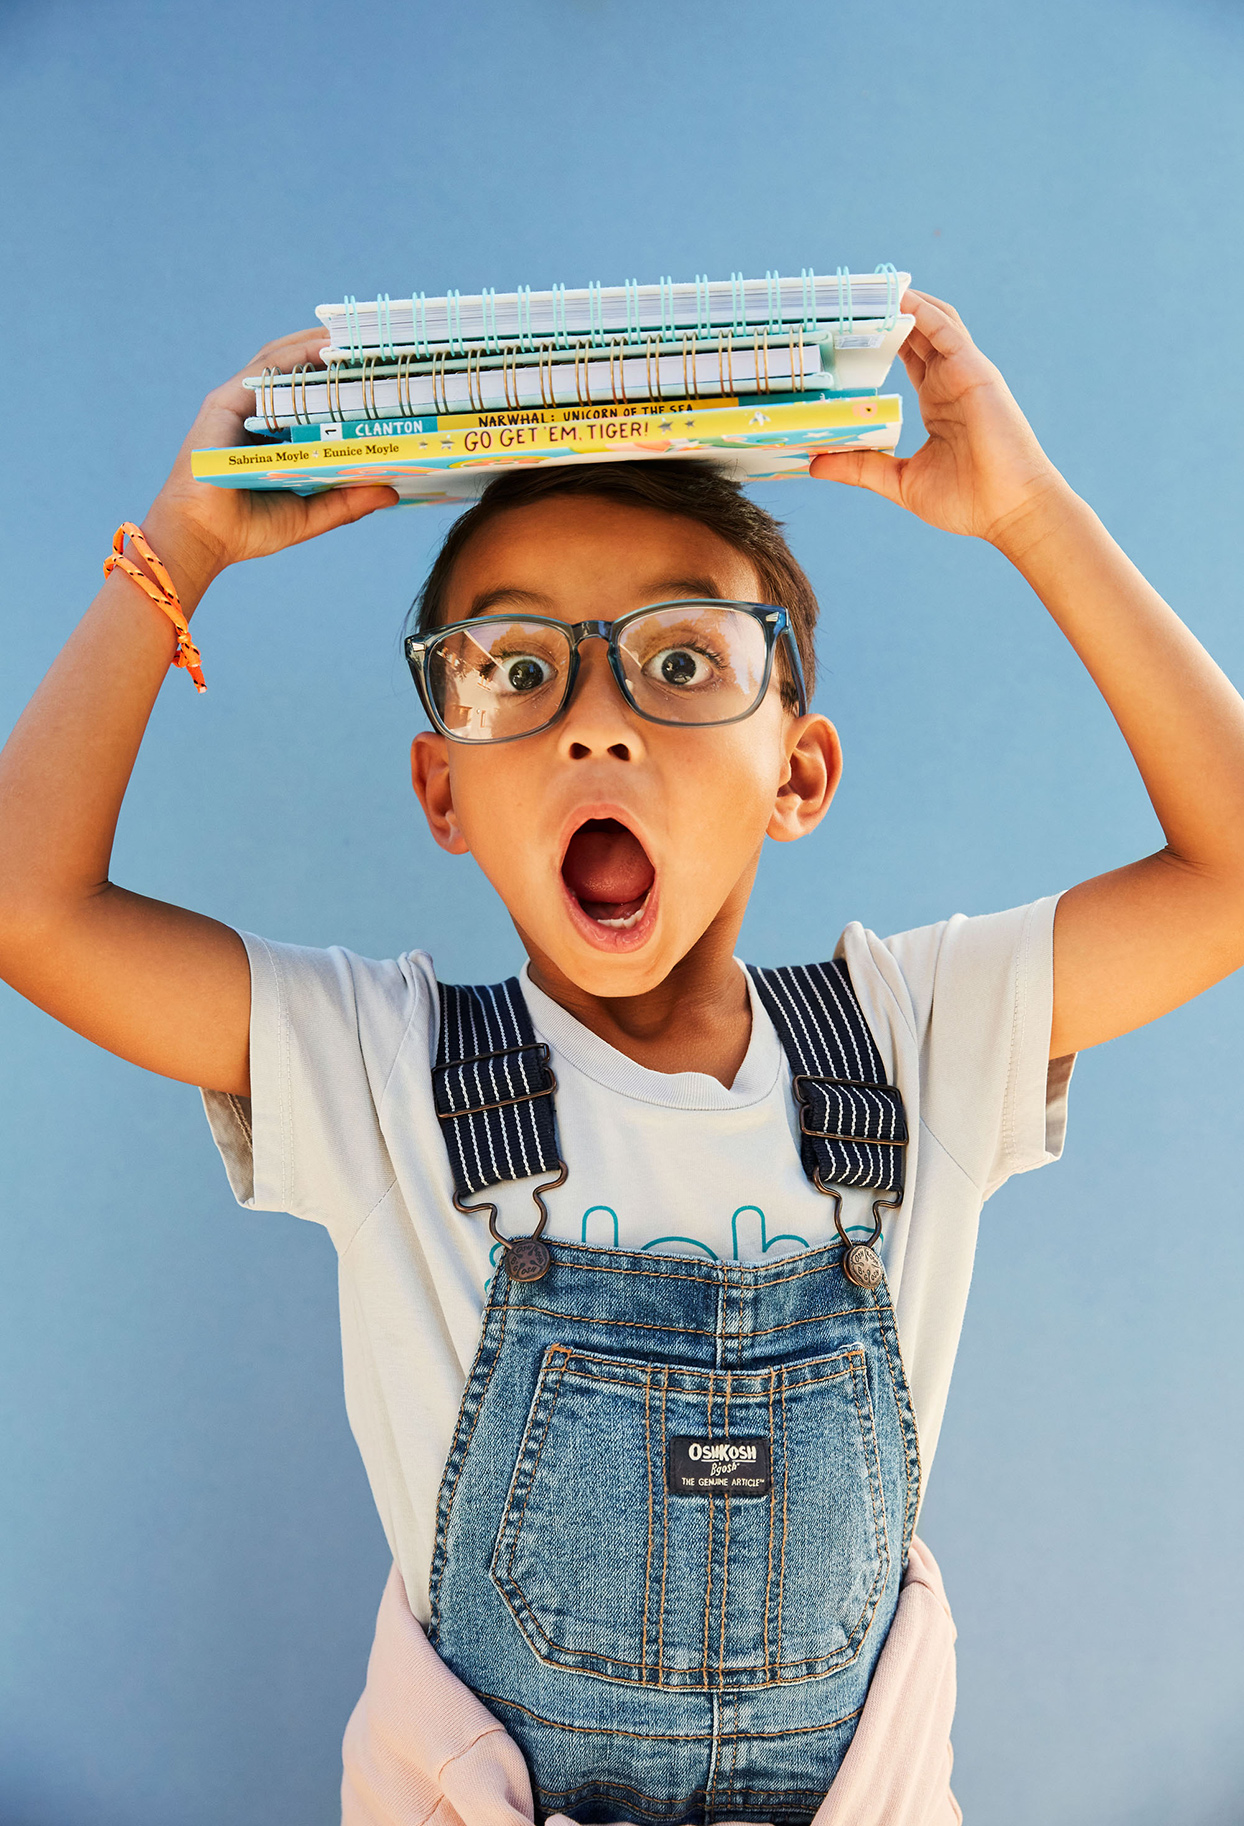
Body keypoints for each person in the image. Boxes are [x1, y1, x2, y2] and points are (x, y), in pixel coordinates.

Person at [2, 290, 1243, 1826]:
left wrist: (1030, 512)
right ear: (440, 791)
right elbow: (27, 907)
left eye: (681, 657)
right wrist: (176, 548)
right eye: (516, 669)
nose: (597, 723)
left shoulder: (921, 1040)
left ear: (798, 771)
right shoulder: (380, 1071)